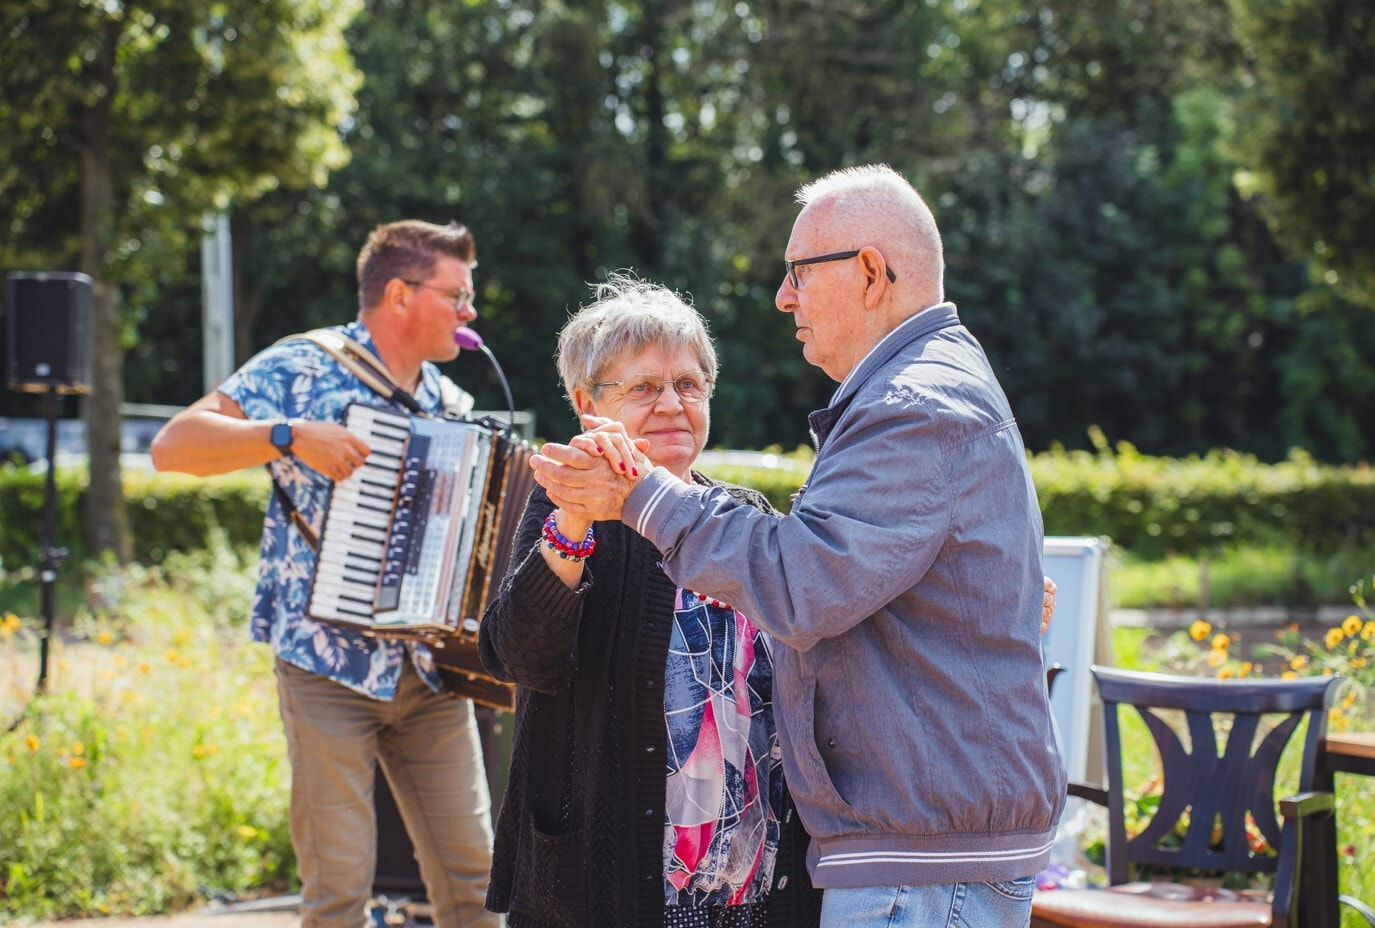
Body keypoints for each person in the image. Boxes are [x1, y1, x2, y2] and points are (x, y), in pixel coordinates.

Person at [529, 165, 1068, 928]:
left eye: (797, 274)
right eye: (643, 388)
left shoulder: (908, 405)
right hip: (923, 842)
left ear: (871, 272)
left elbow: (801, 587)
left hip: (920, 857)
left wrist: (641, 497)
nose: (784, 298)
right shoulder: (922, 389)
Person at [150, 220, 501, 928]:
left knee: (479, 884)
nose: (471, 315)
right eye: (458, 296)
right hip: (324, 671)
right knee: (338, 890)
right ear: (400, 294)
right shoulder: (301, 367)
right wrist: (285, 435)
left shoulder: (452, 405)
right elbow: (171, 447)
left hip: (429, 673)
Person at [477, 275, 823, 928]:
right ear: (588, 404)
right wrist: (573, 521)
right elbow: (519, 657)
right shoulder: (563, 512)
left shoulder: (741, 516)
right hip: (604, 890)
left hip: (753, 886)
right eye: (643, 387)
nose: (671, 403)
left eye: (688, 384)